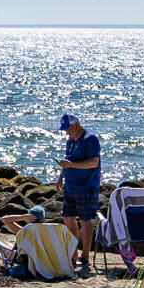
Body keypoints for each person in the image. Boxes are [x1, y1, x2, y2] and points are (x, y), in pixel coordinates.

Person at [56, 114, 101, 272]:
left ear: (75, 125)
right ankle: (73, 253)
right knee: (67, 217)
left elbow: (93, 162)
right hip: (71, 185)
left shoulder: (90, 139)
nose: (66, 132)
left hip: (87, 186)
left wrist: (72, 165)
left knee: (85, 219)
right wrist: (61, 176)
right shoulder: (70, 140)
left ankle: (85, 256)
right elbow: (67, 160)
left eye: (67, 129)